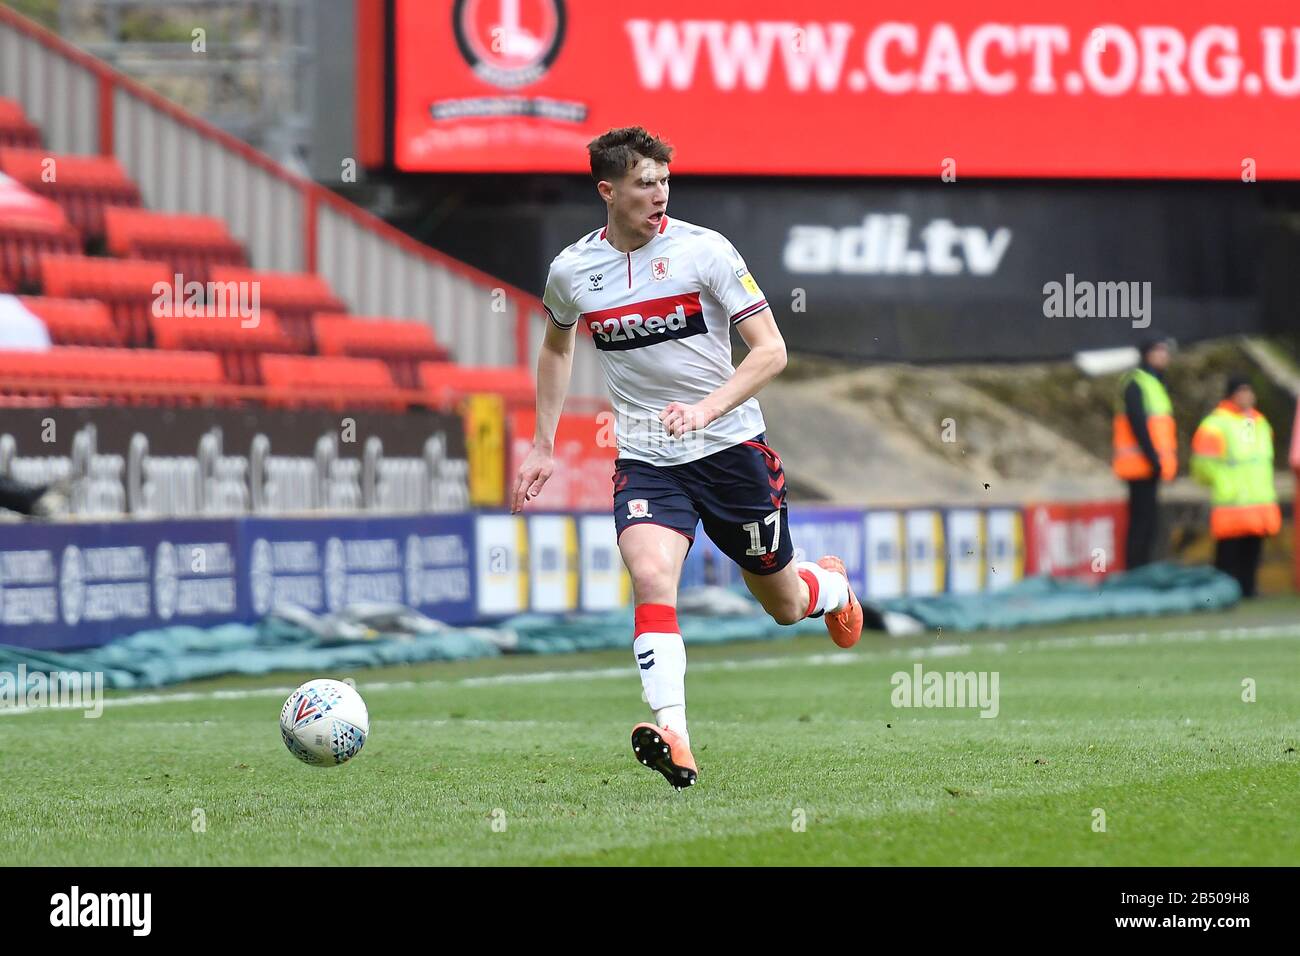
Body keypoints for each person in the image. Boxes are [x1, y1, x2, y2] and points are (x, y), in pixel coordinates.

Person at [511, 127, 862, 791]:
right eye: (645, 183)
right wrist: (543, 443)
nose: (659, 194)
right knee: (650, 576)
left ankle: (833, 587)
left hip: (732, 452)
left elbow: (770, 351)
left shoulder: (706, 250)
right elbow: (557, 348)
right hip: (647, 458)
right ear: (607, 190)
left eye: (665, 181)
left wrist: (706, 410)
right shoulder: (571, 271)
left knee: (785, 604)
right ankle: (674, 731)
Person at [1190, 376, 1282, 598]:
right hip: (1231, 499)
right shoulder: (1216, 424)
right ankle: (1223, 592)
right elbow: (1202, 465)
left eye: (1249, 391)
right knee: (1228, 552)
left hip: (1258, 499)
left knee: (1252, 550)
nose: (1247, 396)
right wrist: (1224, 481)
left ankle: (1248, 589)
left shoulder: (1259, 422)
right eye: (1242, 391)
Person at [1112, 337, 1177, 569]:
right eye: (1159, 351)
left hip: (1151, 465)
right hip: (1139, 465)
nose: (1164, 356)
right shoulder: (1136, 383)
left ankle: (1143, 569)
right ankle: (1136, 571)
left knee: (1149, 522)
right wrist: (1153, 458)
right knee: (1141, 522)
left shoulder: (1156, 383)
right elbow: (1138, 423)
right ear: (1147, 354)